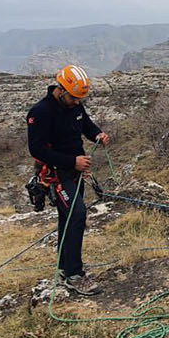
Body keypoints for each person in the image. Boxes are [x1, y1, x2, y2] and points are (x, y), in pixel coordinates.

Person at [26, 64, 111, 295]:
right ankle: (74, 274)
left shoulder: (74, 105)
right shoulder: (41, 112)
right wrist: (71, 162)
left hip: (73, 173)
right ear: (61, 90)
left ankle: (65, 267)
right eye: (73, 98)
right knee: (77, 215)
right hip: (57, 174)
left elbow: (85, 124)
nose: (77, 102)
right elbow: (37, 149)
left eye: (79, 99)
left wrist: (97, 134)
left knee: (68, 217)